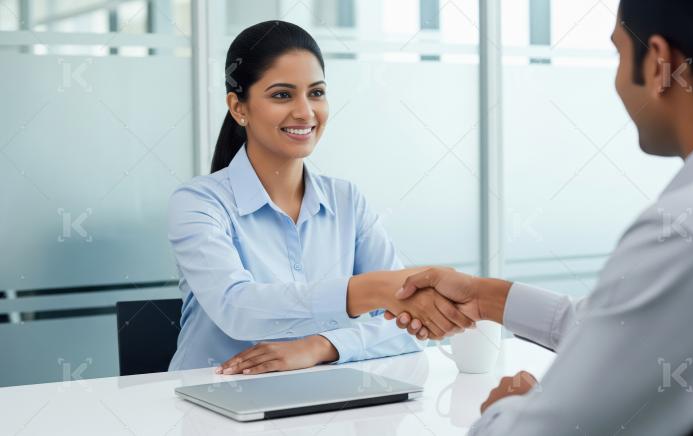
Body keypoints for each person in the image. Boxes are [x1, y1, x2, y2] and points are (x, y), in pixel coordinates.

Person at [388, 0, 693, 434]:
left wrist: (510, 409)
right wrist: (482, 296)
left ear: (661, 64)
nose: (618, 80)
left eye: (620, 54)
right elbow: (639, 330)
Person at [167, 20, 473, 374]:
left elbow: (403, 324)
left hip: (322, 397)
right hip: (212, 401)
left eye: (316, 93)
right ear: (239, 108)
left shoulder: (346, 200)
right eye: (282, 95)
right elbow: (238, 308)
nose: (305, 111)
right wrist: (372, 289)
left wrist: (321, 346)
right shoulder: (198, 203)